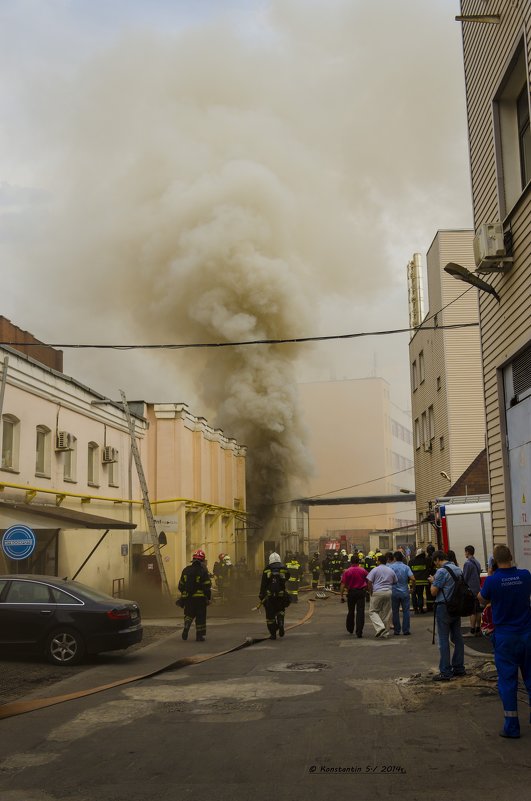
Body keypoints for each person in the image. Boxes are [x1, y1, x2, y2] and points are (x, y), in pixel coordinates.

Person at [478, 544, 531, 739]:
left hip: (505, 638)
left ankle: (512, 727)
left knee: (508, 681)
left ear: (494, 561)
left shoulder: (493, 581)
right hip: (527, 633)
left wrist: (492, 575)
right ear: (511, 556)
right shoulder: (525, 575)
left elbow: (481, 600)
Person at [428, 550, 466, 681]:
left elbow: (434, 592)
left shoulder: (442, 571)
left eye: (435, 562)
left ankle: (445, 671)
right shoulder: (458, 569)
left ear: (438, 559)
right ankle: (459, 667)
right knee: (458, 637)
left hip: (444, 607)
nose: (435, 565)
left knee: (443, 639)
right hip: (456, 607)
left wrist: (433, 581)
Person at [177, 549, 212, 642]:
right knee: (200, 616)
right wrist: (208, 598)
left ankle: (187, 624)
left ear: (193, 559)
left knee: (189, 614)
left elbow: (180, 586)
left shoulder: (186, 570)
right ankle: (199, 636)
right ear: (202, 560)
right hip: (200, 599)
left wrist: (184, 594)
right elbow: (207, 586)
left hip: (188, 598)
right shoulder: (203, 571)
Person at [258, 552, 291, 640]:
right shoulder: (283, 568)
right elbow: (288, 576)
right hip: (281, 595)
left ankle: (273, 634)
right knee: (280, 609)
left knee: (270, 616)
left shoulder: (266, 569)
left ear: (270, 560)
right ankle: (280, 621)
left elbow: (263, 583)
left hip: (270, 596)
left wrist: (261, 595)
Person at [366, 554, 397, 638]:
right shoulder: (390, 570)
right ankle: (385, 633)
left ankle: (380, 628)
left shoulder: (375, 570)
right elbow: (395, 581)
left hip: (377, 592)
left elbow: (369, 581)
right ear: (386, 561)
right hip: (388, 592)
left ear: (378, 561)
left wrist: (370, 591)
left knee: (372, 611)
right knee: (386, 613)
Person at [340, 555, 368, 637]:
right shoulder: (363, 571)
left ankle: (350, 628)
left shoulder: (347, 571)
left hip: (351, 593)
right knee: (360, 612)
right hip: (361, 593)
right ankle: (359, 631)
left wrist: (341, 595)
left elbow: (343, 584)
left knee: (351, 611)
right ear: (358, 561)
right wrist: (368, 590)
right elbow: (369, 581)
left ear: (351, 562)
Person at [389, 551, 415, 635]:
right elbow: (413, 579)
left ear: (395, 558)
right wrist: (412, 588)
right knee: (406, 611)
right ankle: (406, 630)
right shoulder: (406, 567)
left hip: (394, 592)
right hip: (404, 592)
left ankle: (397, 630)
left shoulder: (391, 567)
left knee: (395, 611)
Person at [462, 545, 482, 635]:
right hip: (478, 589)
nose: (464, 553)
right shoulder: (477, 562)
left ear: (467, 552)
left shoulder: (467, 564)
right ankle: (478, 628)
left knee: (472, 611)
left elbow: (465, 578)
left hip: (471, 590)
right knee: (478, 610)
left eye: (465, 552)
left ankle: (472, 630)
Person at [409, 548, 430, 614]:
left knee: (413, 595)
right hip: (422, 581)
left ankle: (416, 610)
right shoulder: (426, 561)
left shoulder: (411, 561)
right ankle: (421, 609)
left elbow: (409, 572)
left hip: (413, 582)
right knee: (420, 595)